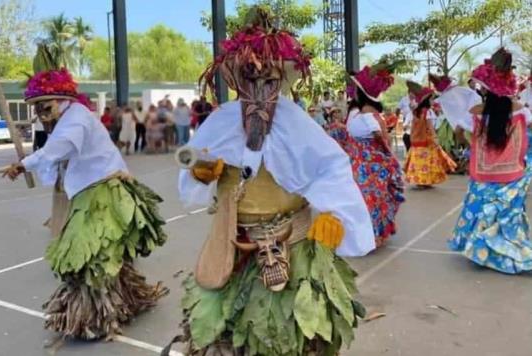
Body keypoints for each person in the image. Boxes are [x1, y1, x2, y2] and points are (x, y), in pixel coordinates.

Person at [167, 10, 374, 354]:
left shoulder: (297, 123)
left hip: (292, 246)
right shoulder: (220, 121)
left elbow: (330, 168)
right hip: (233, 243)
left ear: (281, 79)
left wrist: (335, 217)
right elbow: (195, 163)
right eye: (250, 77)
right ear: (237, 79)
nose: (259, 88)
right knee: (223, 331)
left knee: (291, 336)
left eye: (268, 79)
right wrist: (201, 172)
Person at [2, 66, 167, 339]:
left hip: (103, 191)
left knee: (89, 256)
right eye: (37, 108)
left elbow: (59, 148)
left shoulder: (75, 118)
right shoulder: (69, 118)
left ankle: (98, 316)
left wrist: (23, 165)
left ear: (61, 99)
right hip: (92, 188)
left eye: (45, 106)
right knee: (102, 256)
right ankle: (123, 301)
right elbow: (58, 152)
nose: (41, 113)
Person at [446, 48, 532, 274]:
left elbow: (459, 132)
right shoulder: (522, 111)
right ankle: (506, 251)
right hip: (512, 174)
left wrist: (469, 142)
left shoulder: (475, 112)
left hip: (482, 174)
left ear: (485, 88)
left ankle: (480, 251)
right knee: (506, 214)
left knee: (480, 210)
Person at [335, 62, 405, 247]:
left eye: (355, 88)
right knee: (364, 198)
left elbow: (377, 134)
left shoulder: (366, 112)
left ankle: (370, 236)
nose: (352, 91)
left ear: (360, 92)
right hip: (360, 161)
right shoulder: (358, 111)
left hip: (367, 164)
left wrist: (385, 153)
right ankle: (368, 235)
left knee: (366, 198)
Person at [403, 80, 456, 189]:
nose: (433, 101)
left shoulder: (416, 111)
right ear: (426, 100)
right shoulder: (428, 112)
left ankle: (421, 182)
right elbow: (430, 127)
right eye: (431, 98)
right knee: (427, 162)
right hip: (426, 140)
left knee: (418, 162)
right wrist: (435, 138)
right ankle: (425, 181)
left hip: (416, 140)